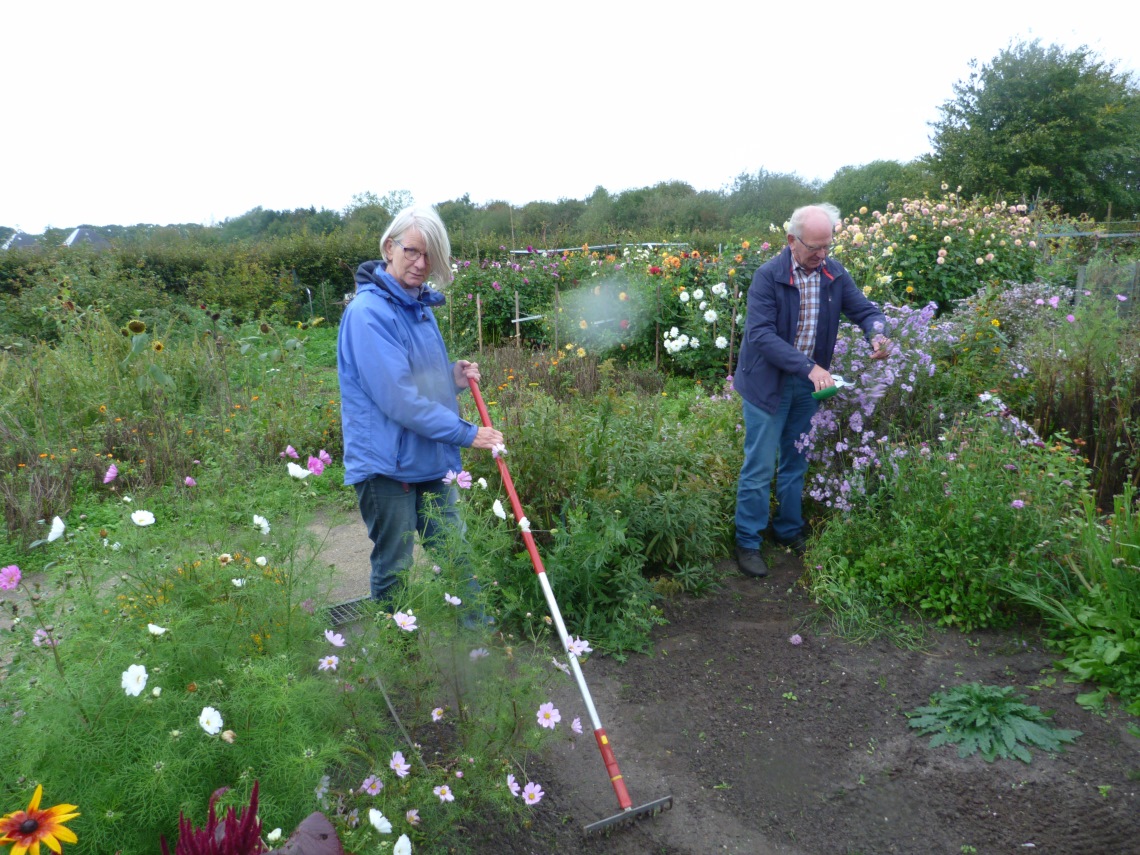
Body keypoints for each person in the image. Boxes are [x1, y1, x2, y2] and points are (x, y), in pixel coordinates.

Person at [337, 205, 503, 604]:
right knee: (394, 567)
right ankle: (400, 657)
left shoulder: (419, 308)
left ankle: (478, 648)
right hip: (387, 466)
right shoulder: (367, 313)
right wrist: (468, 434)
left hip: (429, 457)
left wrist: (452, 378)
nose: (421, 263)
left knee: (456, 555)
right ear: (388, 247)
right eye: (412, 251)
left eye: (430, 255)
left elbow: (416, 381)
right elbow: (400, 399)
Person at [733, 203, 890, 578]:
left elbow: (865, 310)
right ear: (791, 240)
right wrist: (810, 367)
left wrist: (878, 332)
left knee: (796, 458)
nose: (822, 255)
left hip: (808, 386)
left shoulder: (833, 274)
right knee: (758, 465)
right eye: (815, 247)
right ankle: (748, 541)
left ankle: (788, 530)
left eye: (828, 246)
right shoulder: (767, 277)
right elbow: (760, 336)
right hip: (766, 385)